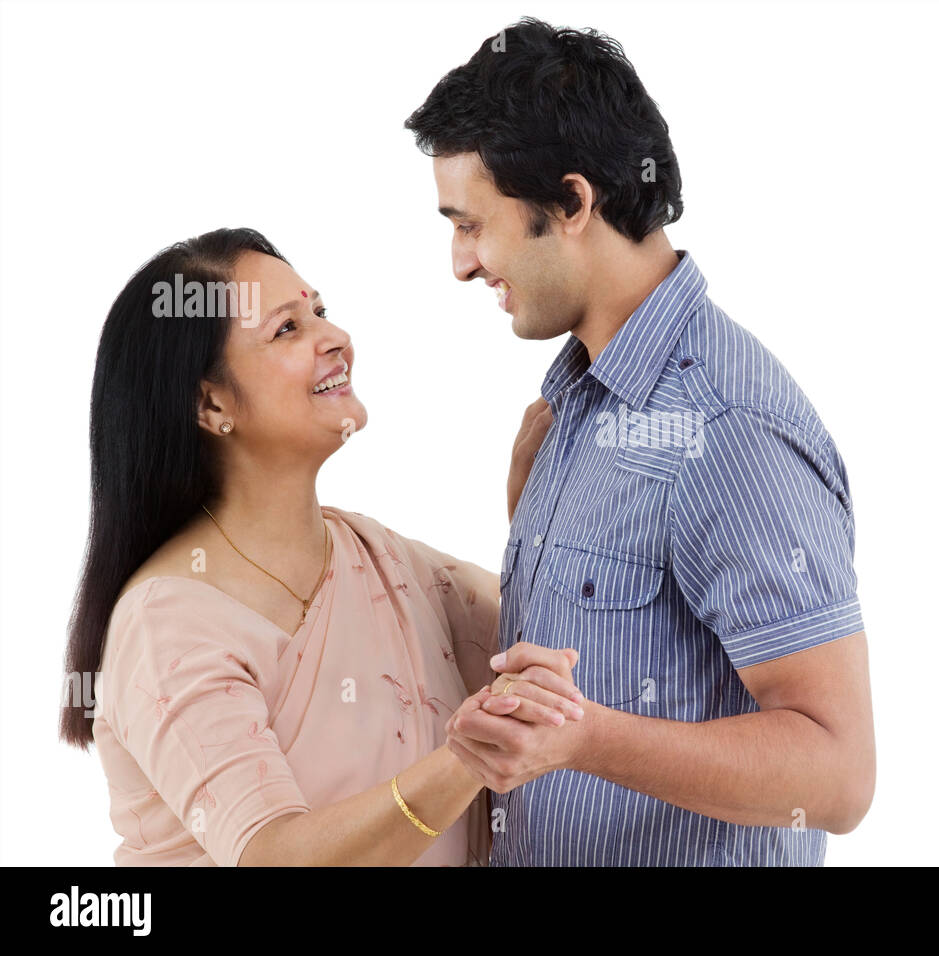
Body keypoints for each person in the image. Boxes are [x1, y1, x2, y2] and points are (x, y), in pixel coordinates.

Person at [405, 18, 877, 867]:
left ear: (574, 202)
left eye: (471, 223)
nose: (460, 263)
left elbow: (838, 776)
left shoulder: (728, 428)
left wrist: (583, 739)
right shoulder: (577, 401)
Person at [59, 227, 581, 865]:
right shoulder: (168, 621)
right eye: (287, 329)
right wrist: (468, 759)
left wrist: (534, 524)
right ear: (211, 401)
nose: (335, 339)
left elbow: (562, 660)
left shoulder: (379, 557)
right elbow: (272, 855)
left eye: (321, 313)